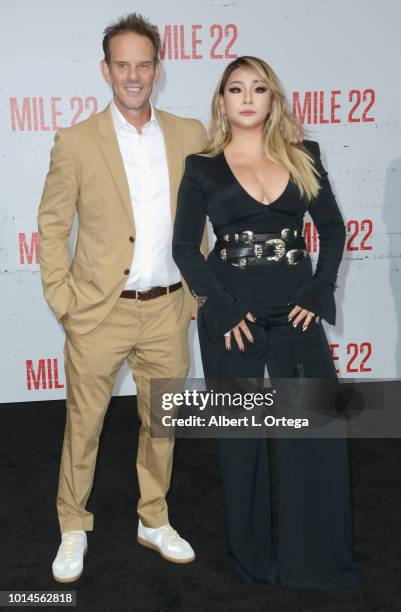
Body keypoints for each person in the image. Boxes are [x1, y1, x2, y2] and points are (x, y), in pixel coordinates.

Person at [172, 56, 360, 588]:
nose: (247, 97)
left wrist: (319, 288)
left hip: (296, 311)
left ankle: (318, 560)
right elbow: (185, 247)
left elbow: (334, 229)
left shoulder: (305, 155)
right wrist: (222, 306)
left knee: (317, 431)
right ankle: (251, 563)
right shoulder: (201, 166)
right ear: (222, 101)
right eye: (236, 89)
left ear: (272, 98)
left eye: (258, 88)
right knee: (242, 441)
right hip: (233, 316)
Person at [38, 13, 209, 583]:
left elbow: (208, 215)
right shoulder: (76, 140)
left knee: (162, 422)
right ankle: (71, 524)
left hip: (168, 308)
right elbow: (52, 225)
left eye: (143, 64)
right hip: (97, 312)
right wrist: (62, 300)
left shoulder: (191, 135)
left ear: (157, 70)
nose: (133, 75)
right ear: (106, 70)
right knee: (83, 424)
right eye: (123, 64)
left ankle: (153, 518)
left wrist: (196, 295)